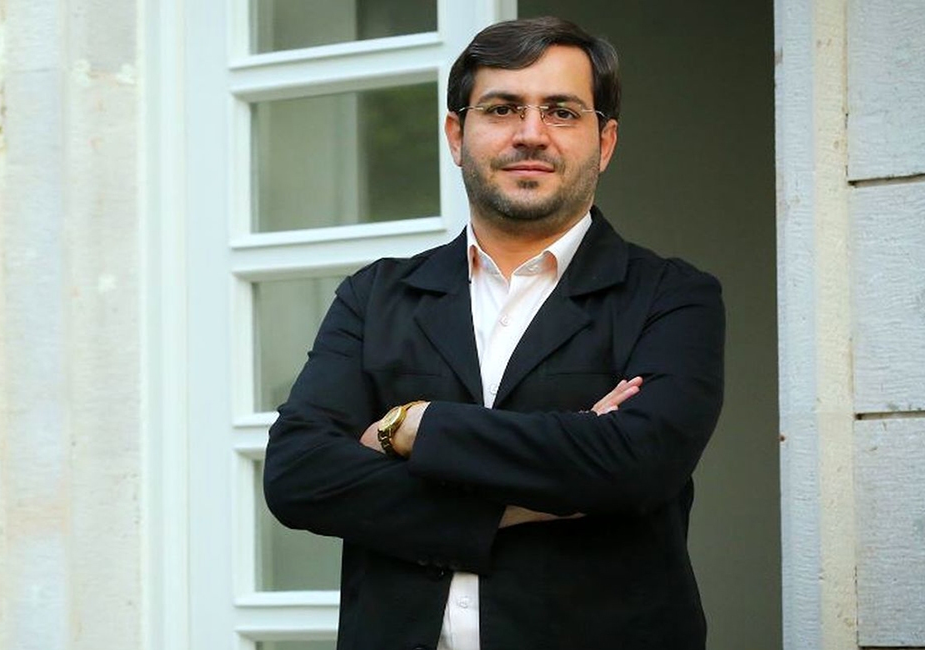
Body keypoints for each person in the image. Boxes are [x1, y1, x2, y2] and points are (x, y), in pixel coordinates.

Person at [264, 16, 724, 650]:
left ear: (605, 142)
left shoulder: (671, 297)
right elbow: (298, 475)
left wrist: (414, 425)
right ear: (457, 135)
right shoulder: (375, 296)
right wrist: (546, 479)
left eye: (561, 112)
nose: (531, 133)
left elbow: (637, 464)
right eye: (503, 108)